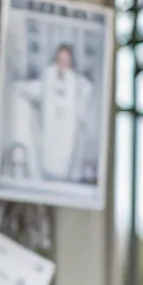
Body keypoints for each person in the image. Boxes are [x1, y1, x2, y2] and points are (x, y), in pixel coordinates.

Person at [11, 42, 95, 183]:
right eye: (60, 60)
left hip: (67, 134)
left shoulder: (78, 83)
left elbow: (87, 90)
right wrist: (17, 86)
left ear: (71, 62)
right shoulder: (48, 79)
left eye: (66, 60)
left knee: (64, 159)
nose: (62, 64)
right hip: (50, 132)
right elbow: (34, 89)